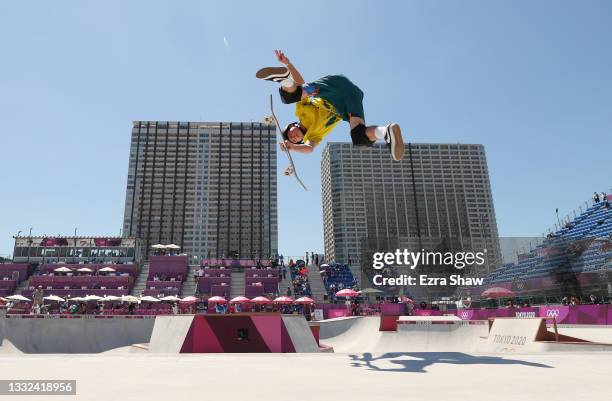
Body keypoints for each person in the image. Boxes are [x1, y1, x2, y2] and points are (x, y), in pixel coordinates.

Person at [259, 50, 405, 161]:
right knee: (359, 137)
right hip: (346, 102)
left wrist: (288, 64)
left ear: (293, 125)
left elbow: (300, 82)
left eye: (291, 133)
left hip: (330, 88)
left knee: (296, 94)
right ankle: (386, 132)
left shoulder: (301, 111)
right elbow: (309, 149)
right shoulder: (314, 135)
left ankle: (285, 80)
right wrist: (293, 147)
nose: (293, 136)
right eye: (294, 139)